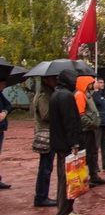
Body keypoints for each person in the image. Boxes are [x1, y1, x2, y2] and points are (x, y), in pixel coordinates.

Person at [49, 69, 84, 215]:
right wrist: (74, 143)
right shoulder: (66, 96)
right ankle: (65, 211)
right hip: (66, 144)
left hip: (59, 142)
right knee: (68, 178)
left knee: (64, 176)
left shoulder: (56, 94)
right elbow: (70, 122)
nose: (76, 82)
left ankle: (64, 208)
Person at [74, 76, 105, 187]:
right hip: (85, 130)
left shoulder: (87, 94)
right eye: (92, 82)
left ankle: (94, 176)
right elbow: (81, 114)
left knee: (92, 153)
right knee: (86, 155)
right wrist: (92, 123)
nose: (94, 84)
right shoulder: (80, 95)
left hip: (90, 129)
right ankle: (86, 179)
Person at [32, 76, 58, 206]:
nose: (56, 80)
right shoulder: (44, 95)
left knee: (47, 166)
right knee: (45, 167)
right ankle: (41, 197)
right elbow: (46, 114)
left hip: (48, 133)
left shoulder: (48, 93)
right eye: (53, 79)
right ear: (46, 80)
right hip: (46, 134)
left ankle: (42, 195)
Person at [92, 78, 105, 170]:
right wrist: (96, 91)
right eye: (100, 82)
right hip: (99, 123)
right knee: (96, 145)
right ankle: (95, 166)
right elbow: (97, 103)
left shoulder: (104, 94)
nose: (102, 84)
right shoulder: (94, 94)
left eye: (103, 82)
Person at [0, 79, 12, 189]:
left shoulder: (0, 95)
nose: (4, 84)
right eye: (3, 82)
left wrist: (4, 112)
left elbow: (9, 105)